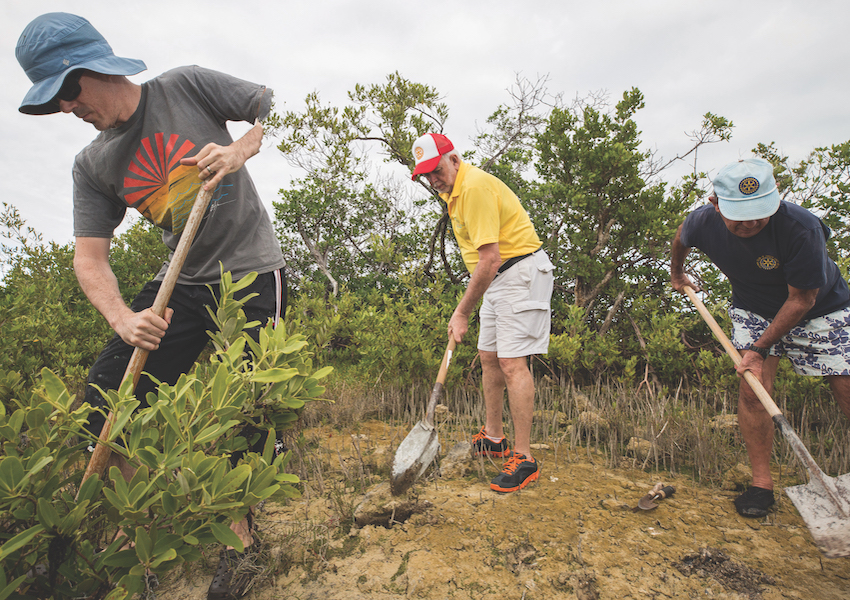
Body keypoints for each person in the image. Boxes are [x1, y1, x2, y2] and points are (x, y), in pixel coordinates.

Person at [15, 13, 286, 599]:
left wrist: (241, 147)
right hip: (182, 280)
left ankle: (240, 538)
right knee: (107, 393)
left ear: (92, 68)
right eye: (52, 103)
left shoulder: (185, 85)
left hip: (253, 269)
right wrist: (123, 319)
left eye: (65, 92)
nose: (66, 109)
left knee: (252, 402)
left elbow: (269, 104)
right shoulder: (92, 165)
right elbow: (89, 260)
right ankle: (133, 538)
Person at [671, 157, 850, 518]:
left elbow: (802, 299)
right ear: (716, 204)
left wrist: (758, 348)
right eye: (741, 214)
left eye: (760, 211)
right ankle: (761, 484)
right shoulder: (702, 222)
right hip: (754, 308)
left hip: (820, 310)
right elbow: (680, 239)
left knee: (846, 385)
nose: (752, 221)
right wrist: (678, 274)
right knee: (753, 391)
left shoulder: (802, 227)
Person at [410, 133, 555, 493]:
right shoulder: (454, 194)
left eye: (437, 170)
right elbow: (485, 261)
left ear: (454, 160)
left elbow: (489, 258)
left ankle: (525, 458)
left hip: (519, 273)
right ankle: (494, 438)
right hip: (497, 279)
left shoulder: (472, 188)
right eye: (427, 175)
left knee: (511, 362)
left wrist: (461, 313)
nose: (434, 179)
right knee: (488, 356)